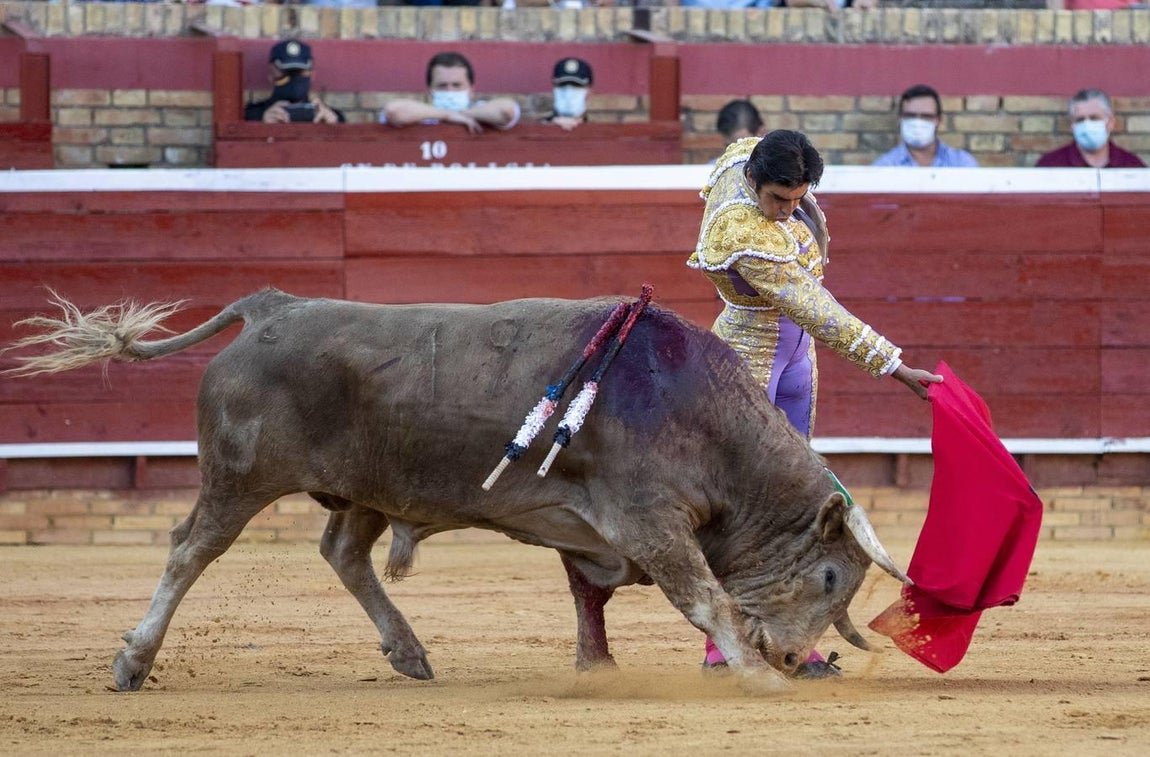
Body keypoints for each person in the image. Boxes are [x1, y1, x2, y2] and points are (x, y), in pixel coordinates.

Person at [687, 130, 943, 676]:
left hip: (796, 362)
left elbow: (749, 142)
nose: (787, 211)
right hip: (748, 357)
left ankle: (786, 642)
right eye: (778, 199)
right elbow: (817, 310)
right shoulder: (740, 226)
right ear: (754, 181)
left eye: (797, 199)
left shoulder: (751, 159)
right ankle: (722, 652)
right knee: (745, 511)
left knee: (795, 505)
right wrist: (893, 366)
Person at [381, 51, 520, 135]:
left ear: (471, 90)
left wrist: (462, 113)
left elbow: (507, 111)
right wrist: (447, 115)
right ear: (430, 91)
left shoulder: (482, 109)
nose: (450, 91)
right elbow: (392, 111)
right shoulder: (421, 112)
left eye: (457, 85)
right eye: (442, 86)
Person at [1036, 88, 1146, 169]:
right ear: (1072, 126)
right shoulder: (1051, 164)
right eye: (1080, 120)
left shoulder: (1131, 165)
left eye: (1094, 118)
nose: (1087, 124)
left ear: (1110, 123)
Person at [872, 84, 977, 167]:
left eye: (926, 116)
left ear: (938, 120)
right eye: (910, 115)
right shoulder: (884, 167)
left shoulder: (962, 164)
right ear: (900, 119)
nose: (918, 122)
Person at [244, 39, 345, 125]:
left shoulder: (330, 116)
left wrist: (334, 128)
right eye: (285, 72)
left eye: (299, 72)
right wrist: (260, 124)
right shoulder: (251, 115)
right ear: (271, 75)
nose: (293, 78)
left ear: (312, 75)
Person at [543, 57, 593, 131]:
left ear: (588, 93)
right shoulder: (535, 129)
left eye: (576, 87)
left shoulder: (600, 131)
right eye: (562, 87)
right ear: (553, 91)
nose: (568, 95)